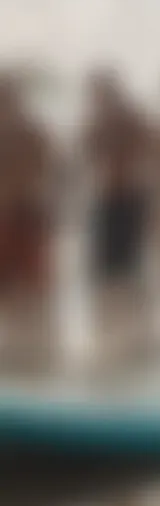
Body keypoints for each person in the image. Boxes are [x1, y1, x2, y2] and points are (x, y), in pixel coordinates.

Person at [82, 70, 155, 371]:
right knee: (103, 271)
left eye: (100, 92)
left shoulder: (132, 121)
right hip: (106, 200)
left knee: (128, 270)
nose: (96, 99)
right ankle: (110, 338)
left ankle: (135, 339)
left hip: (129, 200)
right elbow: (81, 160)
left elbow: (153, 157)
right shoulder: (95, 125)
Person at [0, 74, 57, 369]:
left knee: (32, 291)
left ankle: (38, 353)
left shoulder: (32, 133)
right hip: (10, 218)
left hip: (26, 215)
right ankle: (21, 354)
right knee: (11, 291)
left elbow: (46, 172)